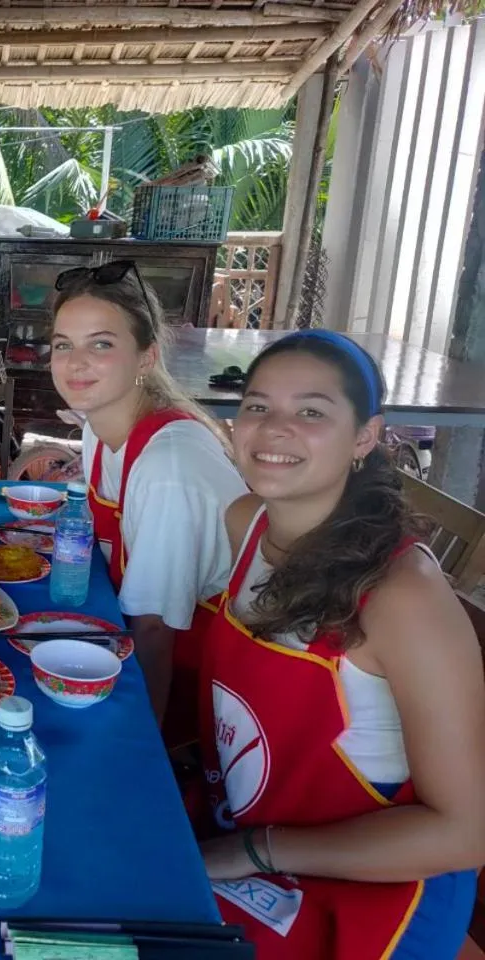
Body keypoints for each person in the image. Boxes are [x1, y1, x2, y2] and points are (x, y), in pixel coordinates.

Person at [199, 330, 485, 958]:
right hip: (248, 830)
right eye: (257, 405)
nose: (273, 428)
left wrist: (256, 851)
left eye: (311, 411)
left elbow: (465, 833)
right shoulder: (246, 522)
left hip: (370, 892)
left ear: (364, 437)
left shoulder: (402, 595)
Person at [49, 260, 246, 745]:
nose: (75, 363)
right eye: (62, 345)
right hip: (133, 638)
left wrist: (138, 746)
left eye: (101, 344)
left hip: (204, 682)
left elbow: (155, 630)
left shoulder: (167, 467)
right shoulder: (100, 425)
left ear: (146, 358)